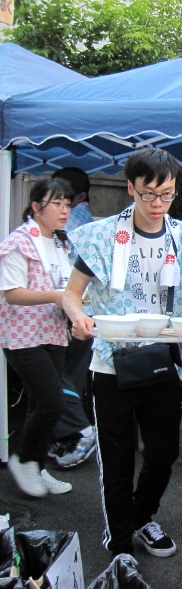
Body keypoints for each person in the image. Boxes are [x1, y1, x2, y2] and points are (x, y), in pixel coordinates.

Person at [62, 148, 182, 558]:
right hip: (111, 362)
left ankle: (143, 517)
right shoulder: (102, 236)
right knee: (116, 460)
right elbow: (72, 295)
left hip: (160, 358)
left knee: (164, 453)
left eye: (166, 195)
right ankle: (120, 542)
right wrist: (79, 319)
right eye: (149, 194)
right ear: (130, 188)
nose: (158, 204)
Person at [0, 179, 75, 497]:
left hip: (53, 331)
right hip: (22, 335)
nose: (64, 210)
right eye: (56, 203)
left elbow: (69, 285)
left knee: (38, 402)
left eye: (67, 204)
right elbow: (12, 294)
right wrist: (57, 296)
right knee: (51, 402)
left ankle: (38, 466)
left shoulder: (61, 243)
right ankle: (22, 459)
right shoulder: (18, 243)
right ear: (36, 207)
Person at [50, 166, 97, 469]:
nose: (61, 205)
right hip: (87, 311)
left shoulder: (71, 225)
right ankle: (68, 435)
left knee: (56, 374)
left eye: (64, 197)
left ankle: (79, 430)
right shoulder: (87, 223)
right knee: (72, 374)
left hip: (70, 311)